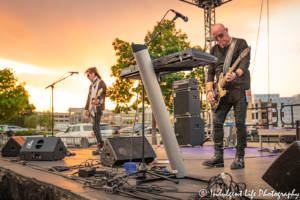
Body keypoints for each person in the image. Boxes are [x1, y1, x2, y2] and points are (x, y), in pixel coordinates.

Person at [202, 23, 250, 169]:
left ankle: (240, 157)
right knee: (216, 122)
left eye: (221, 35)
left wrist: (235, 74)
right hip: (221, 92)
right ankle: (218, 157)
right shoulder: (214, 50)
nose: (219, 40)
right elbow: (210, 72)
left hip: (238, 91)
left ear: (227, 30)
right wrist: (210, 91)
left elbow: (244, 64)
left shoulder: (240, 43)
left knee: (240, 123)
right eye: (215, 38)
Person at [84, 67, 107, 154]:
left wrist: (98, 102)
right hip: (92, 109)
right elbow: (89, 98)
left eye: (88, 75)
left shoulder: (100, 83)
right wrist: (86, 109)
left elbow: (103, 94)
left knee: (95, 127)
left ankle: (101, 146)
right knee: (95, 127)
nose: (88, 77)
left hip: (98, 108)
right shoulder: (91, 86)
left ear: (93, 73)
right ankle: (101, 145)